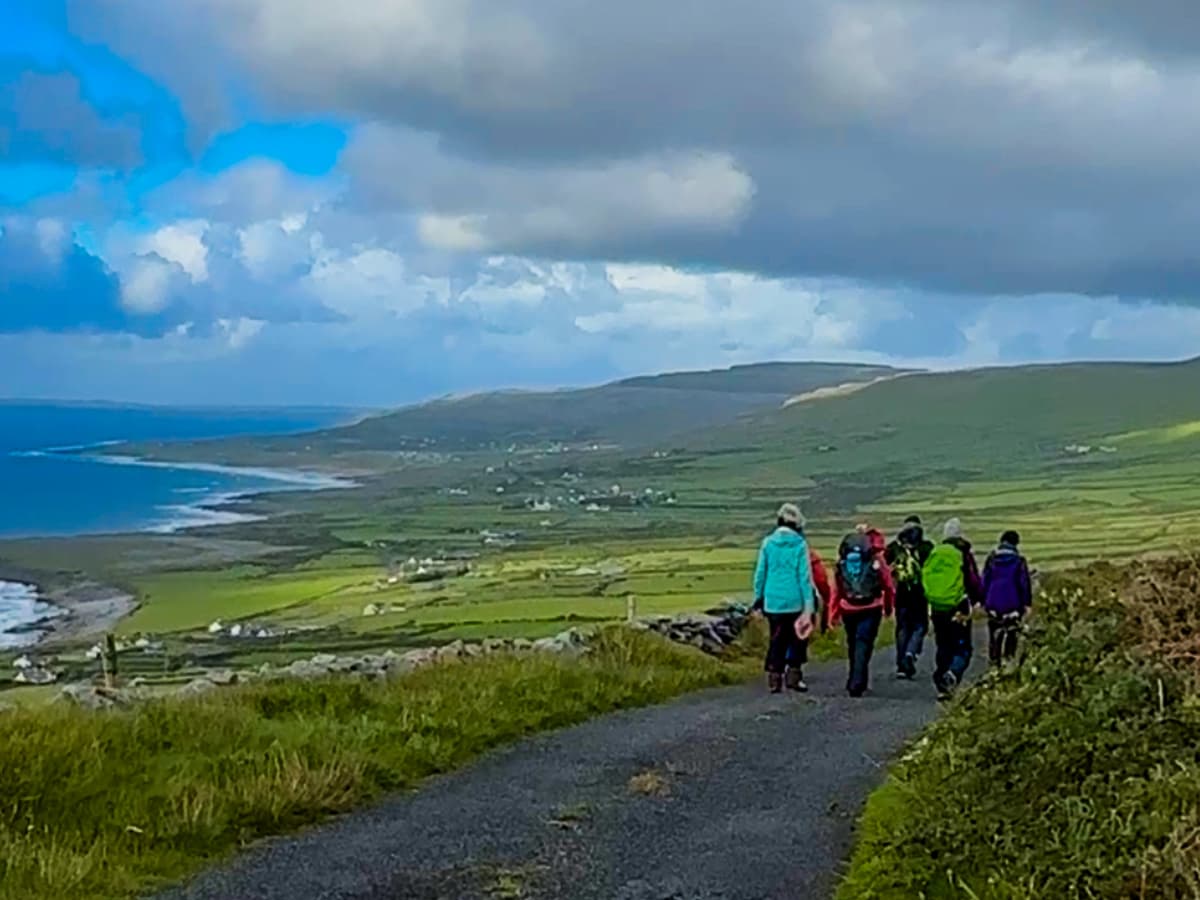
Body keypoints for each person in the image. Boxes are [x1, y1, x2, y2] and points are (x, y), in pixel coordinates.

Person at [752, 503, 817, 693]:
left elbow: (760, 573)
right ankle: (794, 677)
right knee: (798, 638)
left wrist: (759, 596)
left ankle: (774, 678)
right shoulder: (800, 544)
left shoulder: (767, 543)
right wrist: (809, 606)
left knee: (776, 638)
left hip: (773, 600)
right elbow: (805, 577)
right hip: (795, 599)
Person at [922, 518, 983, 699]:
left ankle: (942, 682)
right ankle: (953, 674)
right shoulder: (963, 554)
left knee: (943, 644)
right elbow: (972, 580)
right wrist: (978, 599)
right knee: (963, 647)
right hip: (958, 605)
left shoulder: (935, 552)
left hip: (937, 606)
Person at [830, 524, 894, 697]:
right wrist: (888, 608)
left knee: (853, 643)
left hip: (848, 608)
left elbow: (837, 590)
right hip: (871, 607)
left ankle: (856, 678)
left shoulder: (842, 562)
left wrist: (833, 613)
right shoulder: (876, 559)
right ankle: (858, 681)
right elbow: (888, 585)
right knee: (864, 643)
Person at [886, 515, 934, 680]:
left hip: (901, 593)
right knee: (920, 626)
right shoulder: (926, 547)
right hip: (919, 593)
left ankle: (901, 665)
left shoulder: (894, 547)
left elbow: (885, 567)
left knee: (902, 628)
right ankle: (910, 653)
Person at [784, 544, 833, 691]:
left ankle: (776, 672)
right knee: (799, 636)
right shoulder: (809, 556)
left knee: (781, 634)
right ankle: (793, 670)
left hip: (777, 601)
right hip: (801, 601)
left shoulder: (773, 551)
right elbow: (821, 581)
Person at [982, 530, 1033, 666]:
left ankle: (994, 662)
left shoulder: (991, 559)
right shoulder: (1019, 561)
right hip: (1013, 603)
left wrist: (983, 601)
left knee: (994, 635)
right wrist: (1027, 603)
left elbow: (985, 581)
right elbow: (1024, 584)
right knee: (1011, 633)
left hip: (993, 602)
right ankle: (1008, 660)